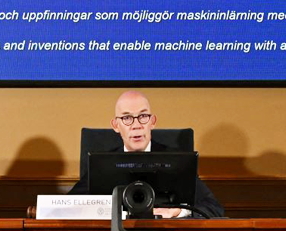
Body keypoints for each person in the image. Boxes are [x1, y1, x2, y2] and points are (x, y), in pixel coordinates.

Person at [68, 90, 224, 218]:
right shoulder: (102, 164)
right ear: (116, 125)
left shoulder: (177, 162)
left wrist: (177, 211)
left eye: (143, 117)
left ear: (152, 121)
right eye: (127, 118)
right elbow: (69, 206)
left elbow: (213, 209)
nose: (136, 125)